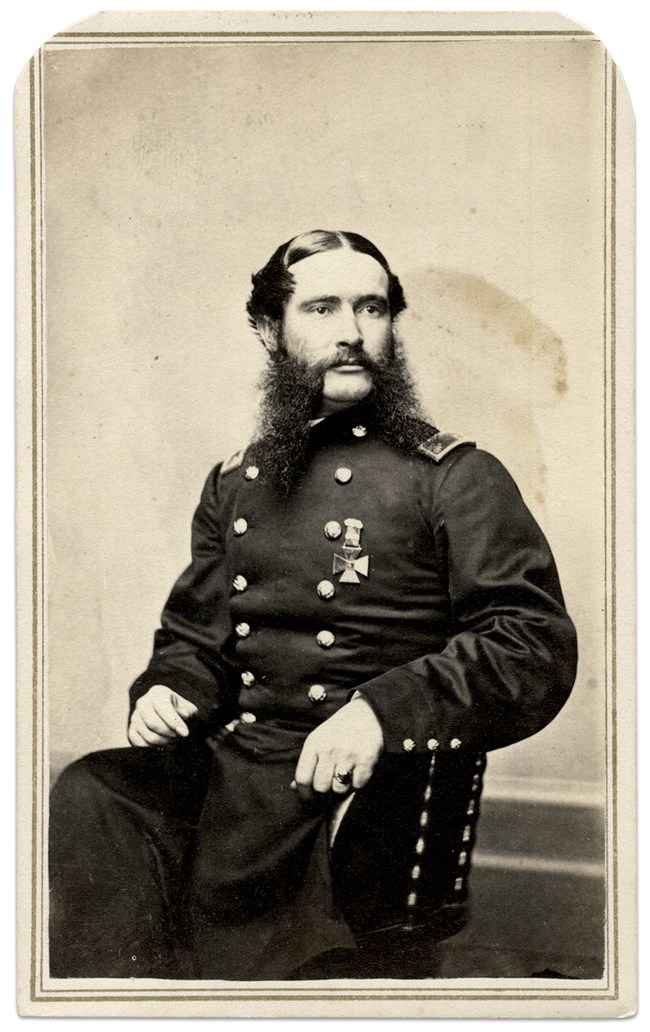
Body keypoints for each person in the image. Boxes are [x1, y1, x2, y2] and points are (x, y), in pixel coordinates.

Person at [49, 229, 578, 981]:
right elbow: (197, 638)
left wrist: (383, 711)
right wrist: (171, 688)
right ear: (271, 329)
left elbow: (531, 643)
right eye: (322, 308)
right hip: (238, 772)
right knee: (95, 792)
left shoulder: (455, 477)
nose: (351, 333)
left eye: (371, 308)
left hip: (361, 789)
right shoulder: (235, 483)